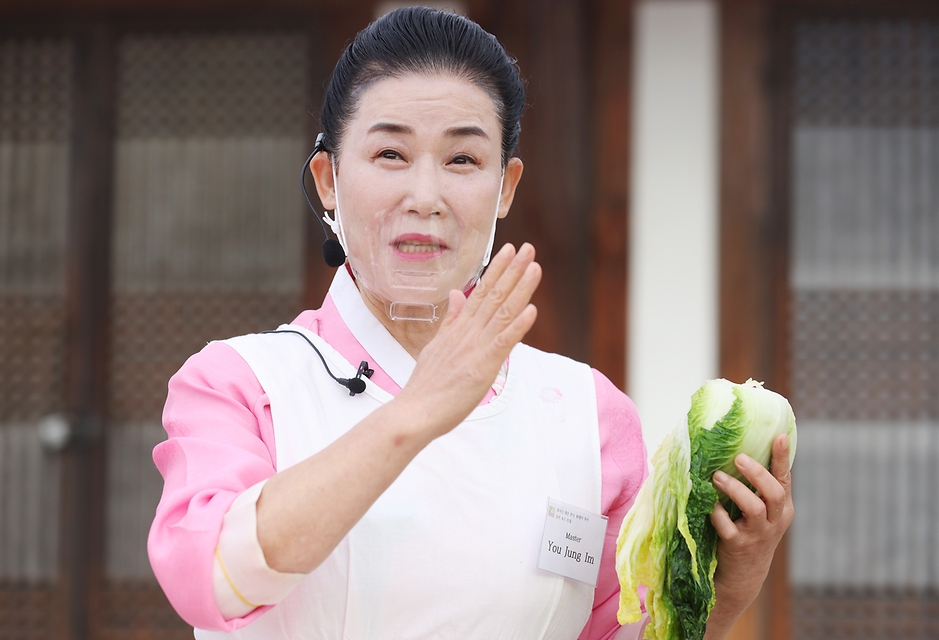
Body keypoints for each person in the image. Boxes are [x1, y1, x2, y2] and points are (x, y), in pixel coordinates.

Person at [148, 7, 794, 640]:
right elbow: (205, 578)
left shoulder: (586, 413)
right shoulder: (242, 382)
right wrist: (417, 410)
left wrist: (730, 584)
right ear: (328, 180)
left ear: (505, 187)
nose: (424, 198)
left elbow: (617, 633)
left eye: (462, 161)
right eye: (390, 154)